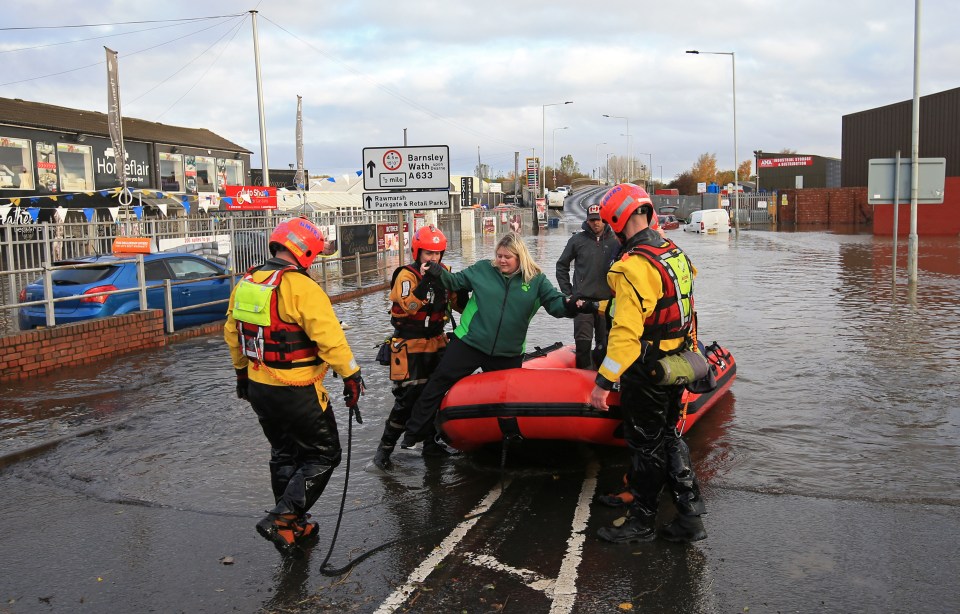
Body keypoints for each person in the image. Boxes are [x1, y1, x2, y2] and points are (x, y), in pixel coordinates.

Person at [224, 217, 365, 555]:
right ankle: (282, 517)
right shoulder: (302, 288)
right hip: (297, 388)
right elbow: (330, 339)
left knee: (284, 453)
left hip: (260, 387)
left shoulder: (247, 282)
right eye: (313, 256)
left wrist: (242, 375)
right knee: (324, 454)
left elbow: (233, 334)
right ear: (304, 252)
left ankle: (292, 525)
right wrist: (351, 375)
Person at [588, 184, 708, 544]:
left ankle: (641, 522)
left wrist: (603, 382)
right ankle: (690, 516)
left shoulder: (631, 268)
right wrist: (596, 306)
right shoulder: (674, 253)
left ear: (616, 219)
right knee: (671, 439)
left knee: (646, 449)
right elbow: (669, 307)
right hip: (676, 365)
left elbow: (625, 335)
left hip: (646, 371)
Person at [403, 231, 590, 450]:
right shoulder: (483, 269)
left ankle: (500, 444)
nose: (501, 260)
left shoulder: (536, 280)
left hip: (507, 352)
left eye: (507, 257)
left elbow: (555, 305)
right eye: (499, 255)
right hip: (470, 342)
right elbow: (454, 282)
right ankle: (413, 434)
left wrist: (570, 306)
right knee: (438, 383)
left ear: (519, 257)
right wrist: (437, 272)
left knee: (504, 400)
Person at [373, 225, 465, 469]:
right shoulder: (406, 275)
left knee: (437, 395)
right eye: (428, 254)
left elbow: (459, 305)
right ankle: (384, 450)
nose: (433, 259)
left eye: (437, 254)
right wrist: (427, 281)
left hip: (436, 341)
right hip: (409, 345)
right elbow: (409, 307)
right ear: (418, 253)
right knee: (407, 400)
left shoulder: (445, 273)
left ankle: (431, 445)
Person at [555, 203, 620, 369]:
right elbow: (562, 265)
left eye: (598, 219)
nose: (595, 223)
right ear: (587, 221)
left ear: (604, 220)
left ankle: (605, 380)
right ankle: (581, 383)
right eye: (591, 220)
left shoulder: (617, 242)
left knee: (606, 346)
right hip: (582, 303)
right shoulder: (577, 240)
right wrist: (568, 293)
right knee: (583, 347)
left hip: (607, 304)